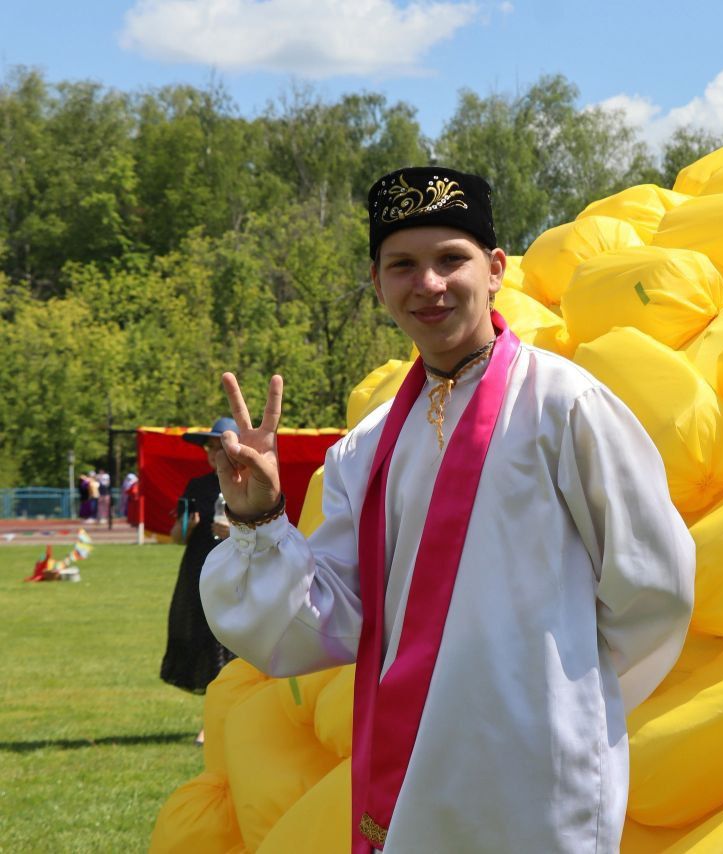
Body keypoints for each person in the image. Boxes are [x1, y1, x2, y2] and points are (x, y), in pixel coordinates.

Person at [200, 167, 695, 852]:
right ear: (377, 283)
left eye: (450, 260)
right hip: (414, 777)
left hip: (540, 769)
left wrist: (560, 690)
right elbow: (328, 616)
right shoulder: (365, 450)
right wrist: (260, 517)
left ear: (495, 270)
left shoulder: (566, 407)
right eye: (402, 265)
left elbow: (654, 586)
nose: (427, 285)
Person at [160, 418, 236, 709]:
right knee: (203, 638)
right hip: (200, 570)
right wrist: (187, 527)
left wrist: (237, 531)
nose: (212, 453)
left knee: (230, 642)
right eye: (209, 447)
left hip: (236, 573)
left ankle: (234, 712)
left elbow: (271, 533)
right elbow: (177, 537)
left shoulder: (251, 482)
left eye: (219, 447)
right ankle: (212, 716)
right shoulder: (197, 486)